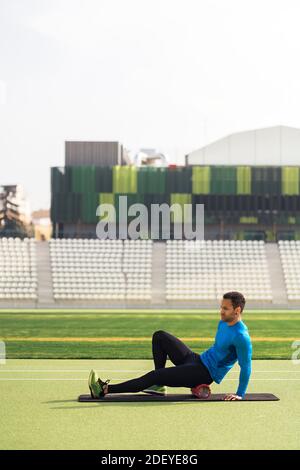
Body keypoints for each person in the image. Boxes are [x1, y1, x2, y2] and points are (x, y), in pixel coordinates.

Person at [88, 291, 252, 401]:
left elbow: (246, 366)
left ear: (237, 310)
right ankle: (158, 386)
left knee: (154, 375)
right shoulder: (223, 323)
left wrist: (240, 394)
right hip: (197, 359)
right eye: (221, 307)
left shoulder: (241, 337)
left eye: (225, 308)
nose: (221, 311)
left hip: (204, 374)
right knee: (160, 336)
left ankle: (104, 390)